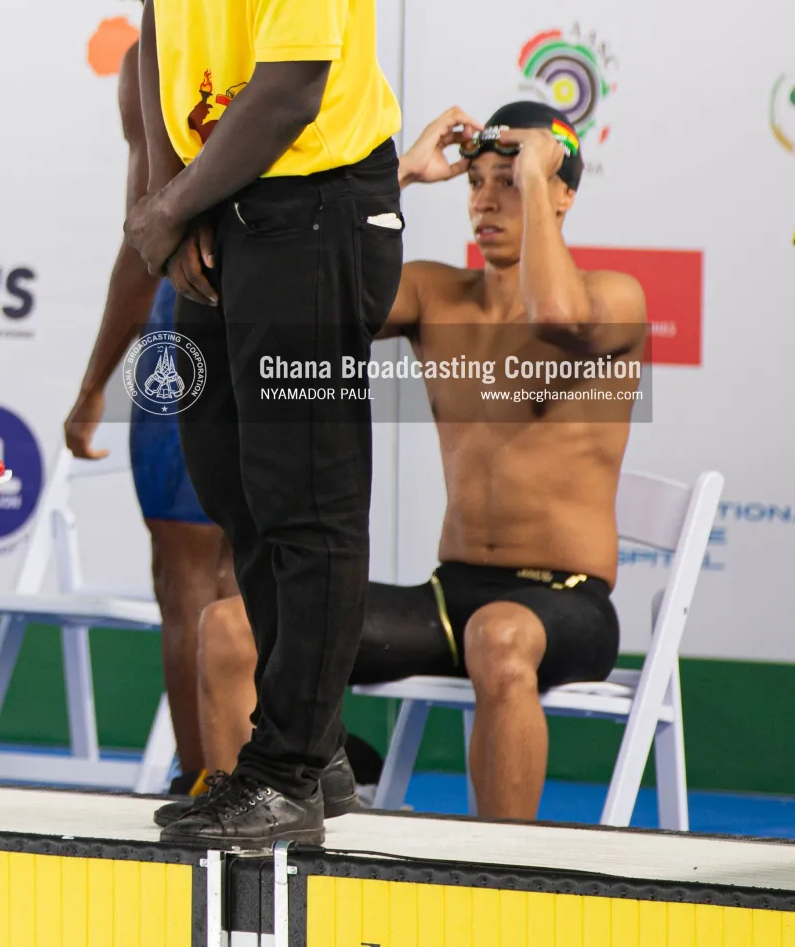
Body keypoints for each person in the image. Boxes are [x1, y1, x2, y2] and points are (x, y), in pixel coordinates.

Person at [112, 0, 404, 850]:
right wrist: (169, 192)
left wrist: (174, 205)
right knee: (231, 482)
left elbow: (289, 88)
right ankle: (312, 752)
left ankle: (285, 770)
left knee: (307, 501)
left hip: (315, 210)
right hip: (218, 206)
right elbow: (157, 27)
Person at [186, 103, 643, 821]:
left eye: (511, 182)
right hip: (446, 597)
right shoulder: (437, 294)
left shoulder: (615, 297)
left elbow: (554, 315)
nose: (486, 200)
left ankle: (504, 872)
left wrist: (535, 171)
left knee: (499, 635)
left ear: (563, 193)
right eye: (477, 182)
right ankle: (246, 824)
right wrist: (391, 177)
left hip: (568, 602)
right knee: (229, 628)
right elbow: (311, 292)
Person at [61, 0, 238, 795]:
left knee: (186, 578)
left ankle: (207, 782)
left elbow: (147, 242)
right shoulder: (248, 32)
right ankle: (262, 775)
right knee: (249, 573)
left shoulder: (152, 57)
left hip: (193, 326)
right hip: (280, 317)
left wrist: (95, 382)